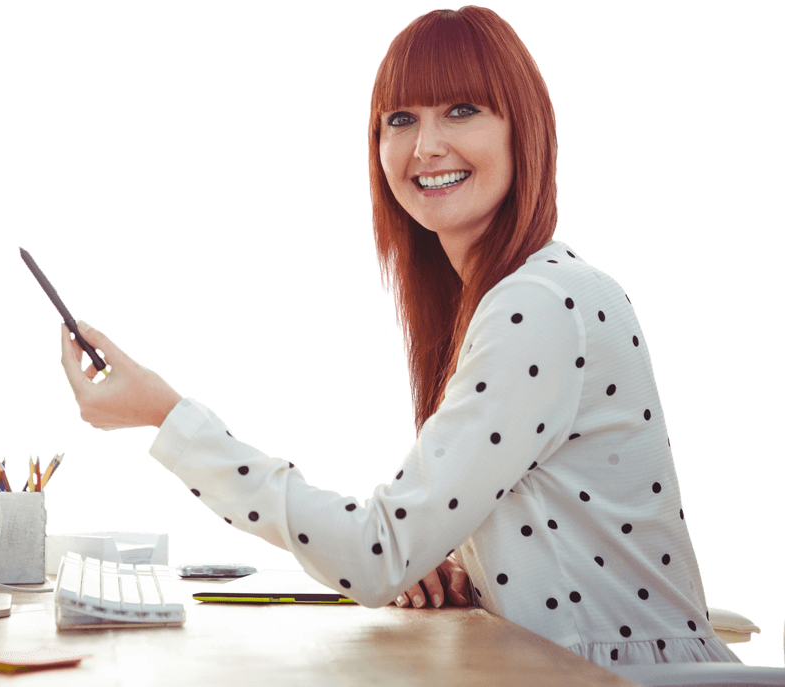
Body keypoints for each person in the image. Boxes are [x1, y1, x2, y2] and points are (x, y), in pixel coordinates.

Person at [58, 5, 744, 669]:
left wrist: (167, 417)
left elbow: (374, 556)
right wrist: (458, 559)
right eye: (401, 119)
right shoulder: (519, 294)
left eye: (462, 110)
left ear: (523, 129)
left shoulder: (537, 305)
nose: (426, 146)